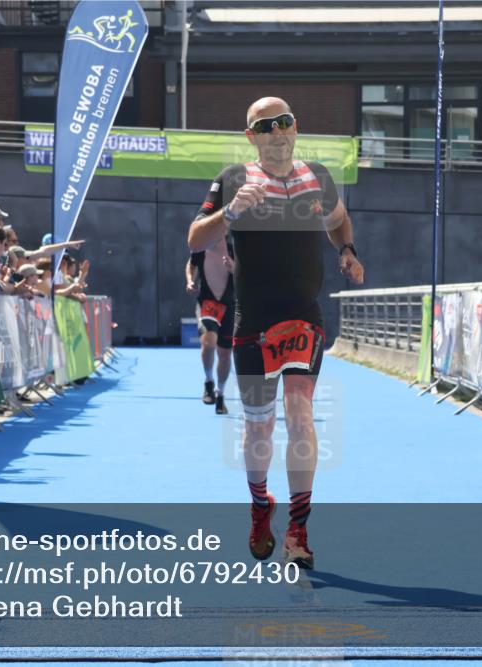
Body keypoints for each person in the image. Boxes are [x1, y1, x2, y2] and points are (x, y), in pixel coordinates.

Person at [188, 97, 365, 569]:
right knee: (259, 426)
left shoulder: (318, 177)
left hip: (305, 314)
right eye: (266, 126)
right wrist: (228, 214)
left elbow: (337, 220)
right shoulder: (232, 179)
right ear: (252, 136)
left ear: (296, 127)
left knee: (300, 412)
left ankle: (299, 529)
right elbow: (194, 238)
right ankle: (260, 504)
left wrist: (346, 249)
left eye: (284, 122)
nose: (278, 132)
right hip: (254, 320)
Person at [185, 236, 235, 415]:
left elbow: (248, 274)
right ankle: (208, 381)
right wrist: (190, 280)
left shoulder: (233, 249)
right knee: (208, 344)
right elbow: (191, 265)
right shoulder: (200, 248)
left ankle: (220, 394)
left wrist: (234, 268)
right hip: (207, 303)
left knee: (225, 354)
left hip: (229, 306)